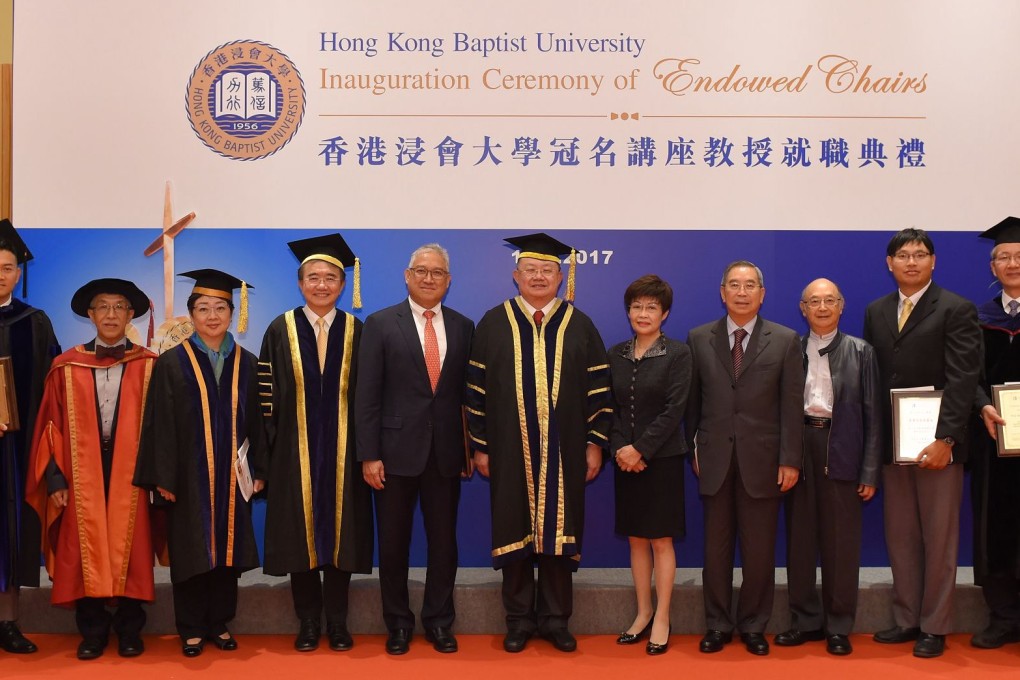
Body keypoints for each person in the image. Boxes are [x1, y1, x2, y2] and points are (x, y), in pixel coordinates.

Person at [466, 233, 611, 654]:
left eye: (548, 270)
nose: (539, 276)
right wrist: (481, 445)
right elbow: (475, 390)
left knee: (559, 532)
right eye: (530, 269)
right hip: (509, 450)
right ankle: (518, 620)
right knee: (513, 528)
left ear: (561, 277)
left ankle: (555, 620)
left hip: (566, 450)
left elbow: (599, 390)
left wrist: (595, 443)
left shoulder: (580, 324)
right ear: (516, 276)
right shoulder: (494, 322)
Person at [134, 269, 267, 657]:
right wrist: (163, 476)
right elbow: (158, 423)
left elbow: (260, 423)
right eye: (204, 308)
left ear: (232, 313)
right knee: (191, 551)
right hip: (187, 478)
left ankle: (219, 622)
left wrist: (259, 471)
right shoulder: (171, 363)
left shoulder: (248, 363)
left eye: (220, 308)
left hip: (232, 478)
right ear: (191, 314)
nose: (212, 316)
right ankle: (190, 627)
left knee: (227, 552)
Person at [863, 228, 982, 659]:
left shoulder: (955, 308)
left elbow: (964, 378)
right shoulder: (876, 311)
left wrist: (946, 438)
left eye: (919, 254)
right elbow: (875, 379)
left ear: (933, 261)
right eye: (903, 255)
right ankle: (907, 618)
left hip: (939, 446)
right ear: (889, 263)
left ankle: (934, 625)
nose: (911, 262)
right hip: (894, 445)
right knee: (901, 537)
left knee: (939, 538)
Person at [26, 278, 157, 660]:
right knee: (82, 545)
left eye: (119, 307)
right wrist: (55, 479)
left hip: (134, 470)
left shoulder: (150, 365)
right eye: (103, 306)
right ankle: (93, 632)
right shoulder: (65, 366)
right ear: (90, 314)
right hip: (79, 469)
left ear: (130, 315)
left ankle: (130, 630)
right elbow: (49, 428)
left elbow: (163, 428)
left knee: (133, 545)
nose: (111, 314)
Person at [356, 243, 474, 655]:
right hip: (392, 454)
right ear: (407, 276)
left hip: (445, 454)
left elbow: (468, 396)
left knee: (444, 544)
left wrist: (471, 448)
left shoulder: (463, 326)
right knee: (393, 545)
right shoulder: (379, 323)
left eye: (437, 272)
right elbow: (366, 395)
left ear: (448, 281)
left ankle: (439, 622)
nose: (428, 278)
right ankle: (398, 624)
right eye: (421, 271)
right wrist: (369, 454)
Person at [259, 234, 373, 652]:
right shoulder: (280, 328)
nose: (321, 285)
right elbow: (265, 398)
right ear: (300, 282)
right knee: (299, 536)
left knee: (343, 536)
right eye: (313, 277)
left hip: (345, 452)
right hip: (294, 453)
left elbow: (369, 397)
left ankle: (338, 622)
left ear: (343, 285)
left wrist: (368, 451)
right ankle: (308, 621)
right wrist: (268, 458)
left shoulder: (357, 330)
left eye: (330, 278)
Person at [685, 260, 803, 657]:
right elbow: (692, 404)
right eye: (734, 285)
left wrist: (790, 459)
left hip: (764, 462)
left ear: (762, 294)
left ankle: (754, 625)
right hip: (714, 460)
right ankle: (717, 624)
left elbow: (791, 406)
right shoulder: (699, 338)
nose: (741, 292)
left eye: (749, 285)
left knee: (759, 551)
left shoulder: (785, 340)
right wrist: (695, 449)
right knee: (715, 551)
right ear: (722, 293)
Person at [774, 278, 881, 656]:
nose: (822, 308)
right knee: (800, 540)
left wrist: (869, 470)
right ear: (802, 309)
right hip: (799, 447)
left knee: (841, 543)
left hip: (843, 447)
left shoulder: (861, 351)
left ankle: (838, 625)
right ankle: (804, 621)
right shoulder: (789, 349)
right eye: (814, 302)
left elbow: (874, 417)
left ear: (842, 306)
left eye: (830, 301)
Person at [609, 275, 691, 656]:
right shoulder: (615, 354)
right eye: (637, 307)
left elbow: (675, 410)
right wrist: (621, 449)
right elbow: (608, 407)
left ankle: (662, 617)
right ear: (628, 311)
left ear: (665, 313)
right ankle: (642, 613)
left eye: (651, 307)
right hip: (624, 461)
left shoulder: (678, 354)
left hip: (662, 460)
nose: (643, 314)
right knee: (636, 538)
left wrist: (641, 450)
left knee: (661, 539)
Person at [0, 218, 59, 654]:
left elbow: (53, 388)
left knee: (12, 532)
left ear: (18, 274)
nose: (0, 275)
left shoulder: (35, 322)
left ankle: (7, 622)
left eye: (7, 268)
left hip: (19, 452)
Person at [968, 216, 1020, 649]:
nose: (1012, 263)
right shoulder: (977, 318)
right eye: (1004, 257)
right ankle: (1003, 616)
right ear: (992, 266)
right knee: (995, 525)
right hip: (992, 439)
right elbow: (966, 373)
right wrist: (982, 403)